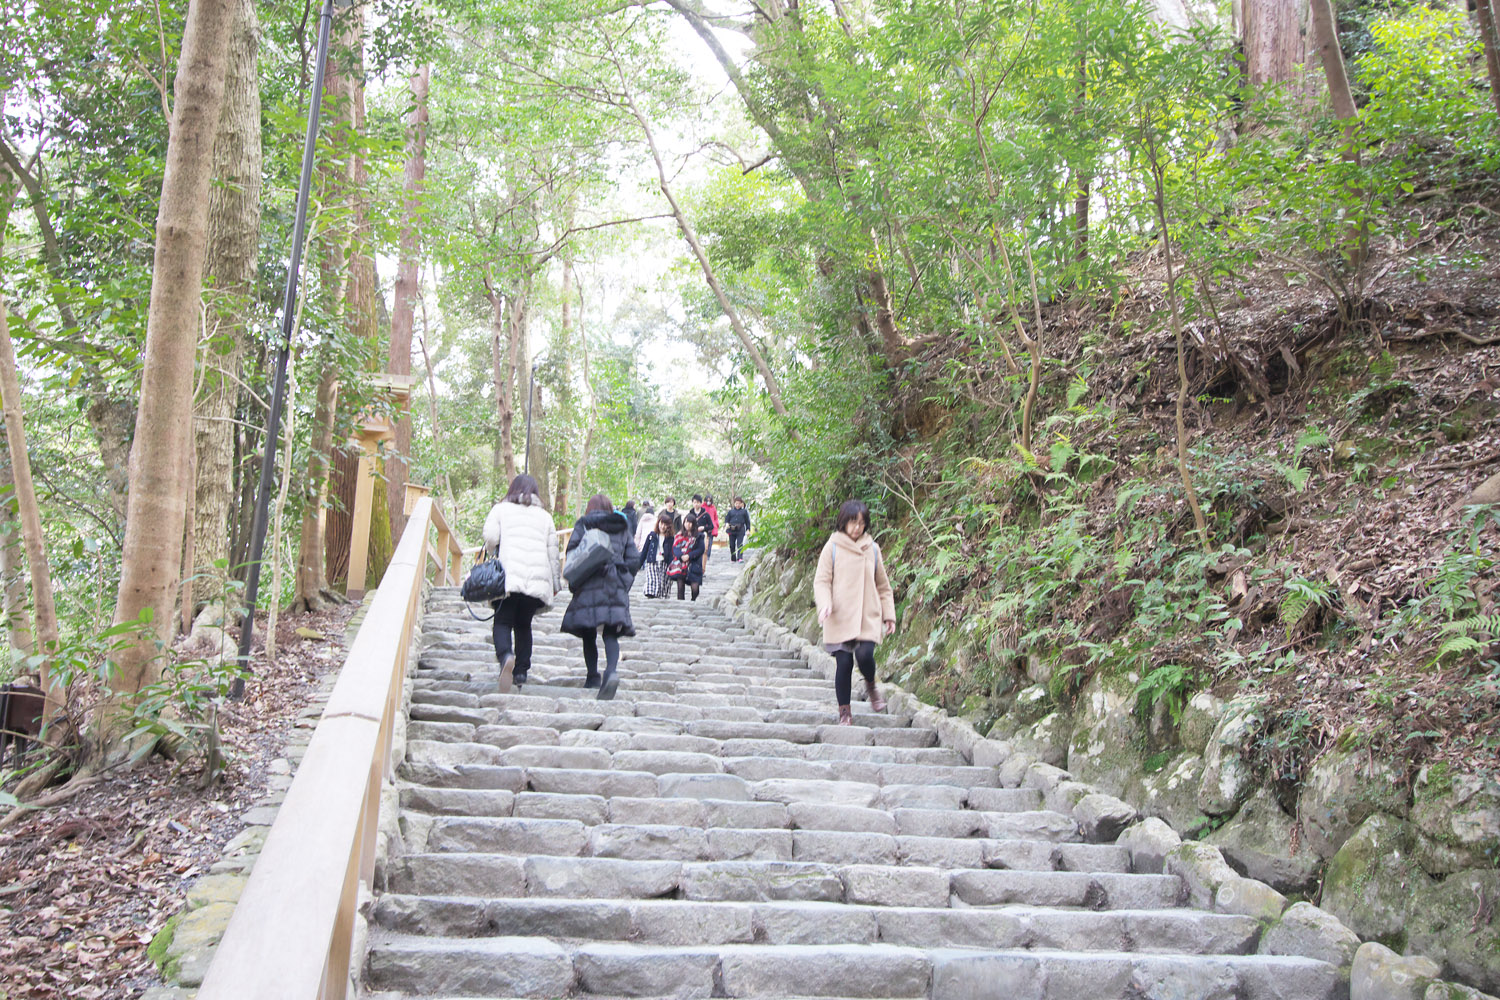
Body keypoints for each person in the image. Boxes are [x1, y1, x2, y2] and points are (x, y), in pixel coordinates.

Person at [813, 500, 896, 725]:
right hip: (839, 615)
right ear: (843, 522)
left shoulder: (873, 549)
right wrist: (825, 604)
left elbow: (883, 586)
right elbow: (822, 581)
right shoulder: (832, 547)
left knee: (865, 655)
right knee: (844, 664)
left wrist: (889, 615)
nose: (857, 528)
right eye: (853, 522)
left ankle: (870, 684)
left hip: (867, 615)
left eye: (861, 523)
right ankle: (845, 713)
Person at [481, 473, 561, 692]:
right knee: (524, 624)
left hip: (508, 575)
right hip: (537, 578)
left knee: (503, 621)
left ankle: (506, 656)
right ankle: (521, 672)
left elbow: (490, 537)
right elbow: (553, 551)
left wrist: (494, 550)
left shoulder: (501, 509)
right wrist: (555, 583)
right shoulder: (544, 516)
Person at [560, 494, 638, 700]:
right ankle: (611, 671)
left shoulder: (583, 525)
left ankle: (592, 676)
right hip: (613, 582)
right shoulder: (621, 526)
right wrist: (623, 579)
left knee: (588, 632)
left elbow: (572, 552)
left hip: (588, 581)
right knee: (610, 633)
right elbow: (633, 559)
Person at [638, 510, 675, 599]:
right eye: (661, 523)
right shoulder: (652, 536)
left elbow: (672, 552)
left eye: (665, 524)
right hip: (652, 561)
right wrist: (639, 564)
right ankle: (650, 592)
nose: (662, 526)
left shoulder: (670, 538)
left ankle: (661, 596)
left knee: (662, 582)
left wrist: (672, 565)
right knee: (652, 579)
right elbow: (645, 550)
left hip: (664, 562)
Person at [672, 514, 706, 601]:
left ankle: (693, 600)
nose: (688, 525)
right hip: (681, 564)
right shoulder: (679, 535)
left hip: (694, 564)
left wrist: (689, 556)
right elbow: (675, 547)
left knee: (695, 589)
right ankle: (680, 605)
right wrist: (681, 556)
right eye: (686, 522)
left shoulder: (699, 536)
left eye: (690, 523)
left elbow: (701, 549)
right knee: (680, 586)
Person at [725, 497, 751, 562]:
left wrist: (748, 529)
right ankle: (733, 558)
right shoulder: (731, 512)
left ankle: (740, 557)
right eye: (736, 503)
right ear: (734, 503)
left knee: (740, 544)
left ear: (741, 504)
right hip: (732, 529)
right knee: (732, 545)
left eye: (739, 503)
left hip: (740, 529)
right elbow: (726, 519)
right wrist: (727, 524)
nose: (737, 505)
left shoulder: (744, 512)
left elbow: (747, 521)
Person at [703, 494, 721, 567]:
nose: (708, 502)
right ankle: (704, 555)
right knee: (704, 543)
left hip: (712, 527)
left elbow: (715, 517)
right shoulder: (702, 507)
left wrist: (716, 525)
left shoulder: (713, 508)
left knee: (710, 543)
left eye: (710, 501)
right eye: (707, 500)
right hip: (704, 527)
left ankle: (708, 555)